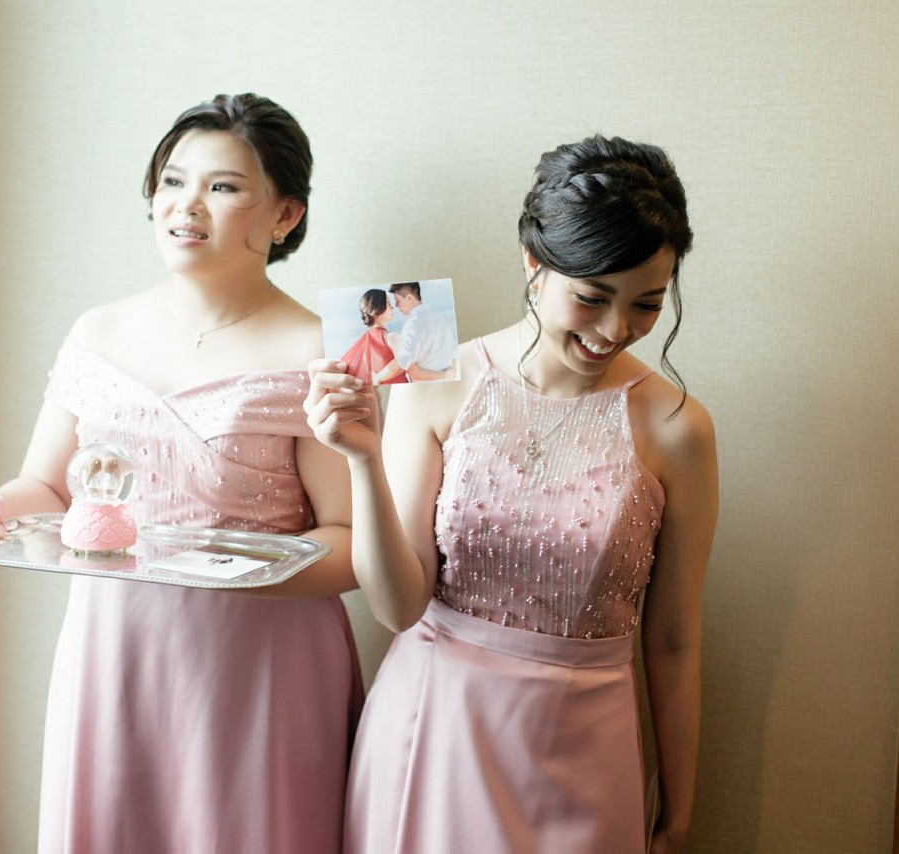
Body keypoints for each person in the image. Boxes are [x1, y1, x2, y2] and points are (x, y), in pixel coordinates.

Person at [0, 94, 362, 854]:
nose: (186, 204)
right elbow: (49, 489)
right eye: (173, 181)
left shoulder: (320, 350)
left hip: (258, 663)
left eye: (223, 186)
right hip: (115, 646)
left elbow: (350, 543)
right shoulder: (98, 330)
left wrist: (235, 575)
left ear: (285, 215)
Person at [306, 135, 718, 854]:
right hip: (434, 728)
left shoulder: (679, 428)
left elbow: (674, 637)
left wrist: (677, 805)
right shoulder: (439, 382)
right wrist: (364, 461)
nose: (615, 331)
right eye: (592, 298)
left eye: (647, 304)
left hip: (588, 745)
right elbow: (399, 608)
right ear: (533, 262)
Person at [371, 281, 459, 383]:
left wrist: (376, 378)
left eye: (397, 300)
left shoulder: (413, 325)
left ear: (409, 298)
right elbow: (454, 355)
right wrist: (448, 375)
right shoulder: (441, 320)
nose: (396, 305)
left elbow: (401, 364)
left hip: (426, 387)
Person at [341, 288, 408, 386]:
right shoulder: (391, 338)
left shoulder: (362, 345)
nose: (392, 308)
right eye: (389, 304)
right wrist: (378, 378)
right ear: (378, 310)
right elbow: (403, 362)